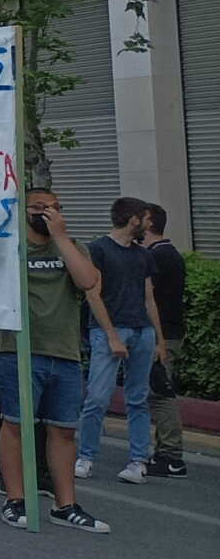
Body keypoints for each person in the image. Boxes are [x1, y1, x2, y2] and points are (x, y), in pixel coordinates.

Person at [0, 187, 111, 533]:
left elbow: (89, 282)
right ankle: (15, 499)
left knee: (63, 431)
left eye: (56, 207)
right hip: (18, 350)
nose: (49, 213)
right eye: (40, 208)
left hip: (64, 353)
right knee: (16, 424)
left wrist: (60, 238)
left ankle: (66, 505)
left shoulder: (74, 248)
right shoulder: (11, 247)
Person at [78, 198, 165, 485]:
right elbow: (93, 295)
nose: (147, 224)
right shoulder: (98, 250)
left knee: (137, 399)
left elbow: (148, 297)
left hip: (142, 332)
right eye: (144, 218)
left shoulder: (143, 255)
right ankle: (85, 457)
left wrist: (159, 340)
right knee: (97, 398)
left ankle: (138, 461)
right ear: (132, 220)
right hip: (107, 332)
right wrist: (113, 335)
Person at [141, 205, 191, 479]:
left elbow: (151, 299)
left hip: (164, 336)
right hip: (165, 334)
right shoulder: (164, 254)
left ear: (148, 222)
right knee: (157, 391)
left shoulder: (161, 257)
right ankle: (166, 452)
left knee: (161, 392)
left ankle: (171, 456)